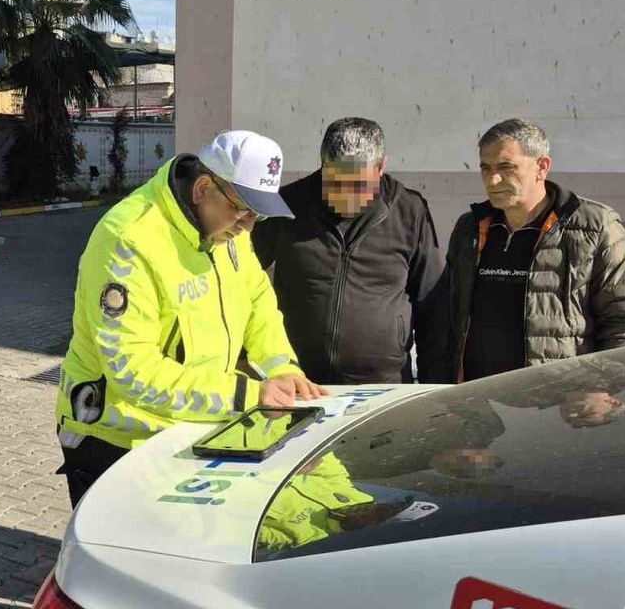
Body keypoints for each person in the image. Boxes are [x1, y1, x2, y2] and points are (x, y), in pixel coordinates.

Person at [55, 130, 326, 507]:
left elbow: (257, 299)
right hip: (118, 440)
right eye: (244, 210)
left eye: (258, 214)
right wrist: (247, 395)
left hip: (190, 422)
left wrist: (281, 368)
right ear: (202, 188)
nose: (248, 226)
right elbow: (133, 371)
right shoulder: (128, 241)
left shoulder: (227, 229)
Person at [446, 118, 625, 382]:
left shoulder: (594, 226)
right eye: (486, 168)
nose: (493, 180)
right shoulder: (471, 228)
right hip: (477, 398)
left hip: (559, 396)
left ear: (542, 167)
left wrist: (604, 387)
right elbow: (449, 318)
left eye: (506, 167)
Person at [252, 117, 449, 385]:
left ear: (381, 167)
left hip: (383, 385)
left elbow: (433, 308)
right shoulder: (286, 207)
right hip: (297, 382)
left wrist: (433, 388)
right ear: (322, 166)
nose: (347, 195)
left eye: (360, 185)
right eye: (336, 183)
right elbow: (239, 282)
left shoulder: (409, 211)